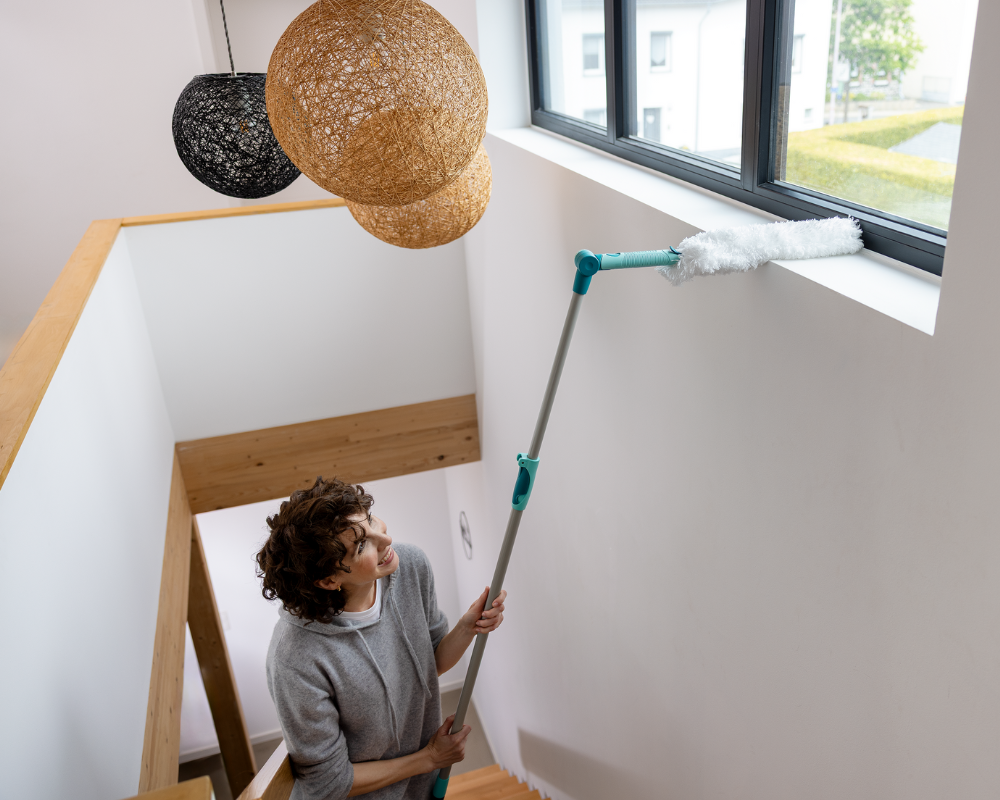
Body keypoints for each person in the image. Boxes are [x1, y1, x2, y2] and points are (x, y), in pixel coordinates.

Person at [256, 476, 506, 800]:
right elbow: (329, 783)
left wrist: (467, 628)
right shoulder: (295, 658)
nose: (386, 539)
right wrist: (429, 758)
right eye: (362, 545)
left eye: (371, 519)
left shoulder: (411, 566)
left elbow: (429, 664)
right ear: (329, 580)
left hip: (423, 787)